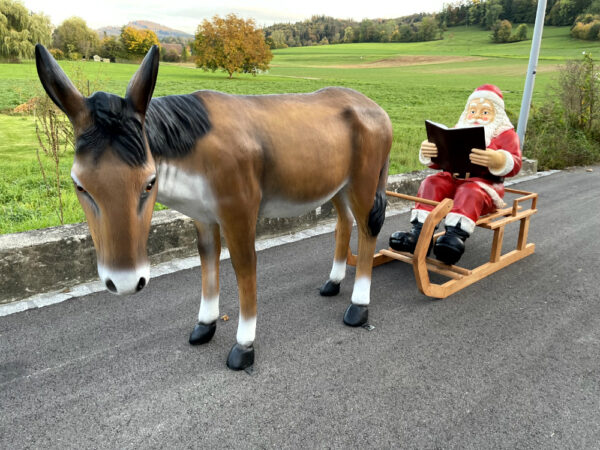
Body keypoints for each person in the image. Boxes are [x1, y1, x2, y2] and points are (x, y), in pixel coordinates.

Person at [389, 84, 522, 265]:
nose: (476, 117)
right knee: (431, 183)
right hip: (452, 180)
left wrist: (498, 159)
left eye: (484, 113)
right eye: (473, 111)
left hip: (483, 187)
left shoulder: (506, 135)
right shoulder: (458, 129)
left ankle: (454, 238)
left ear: (496, 114)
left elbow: (515, 163)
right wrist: (432, 152)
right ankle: (419, 234)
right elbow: (441, 162)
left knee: (470, 191)